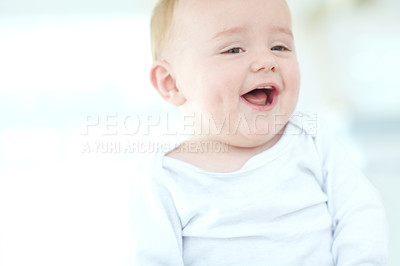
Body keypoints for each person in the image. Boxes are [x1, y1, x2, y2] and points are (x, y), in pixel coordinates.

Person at [132, 0, 389, 265]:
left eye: (280, 46)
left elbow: (359, 214)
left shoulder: (312, 140)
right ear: (171, 83)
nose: (267, 61)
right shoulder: (165, 178)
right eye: (233, 49)